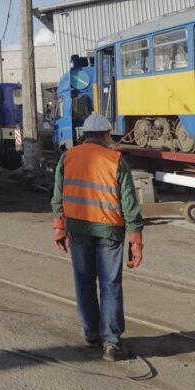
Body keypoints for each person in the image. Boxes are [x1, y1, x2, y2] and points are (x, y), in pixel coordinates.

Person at [51, 112, 144, 362]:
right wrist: (136, 238)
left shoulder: (68, 157)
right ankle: (111, 343)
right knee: (110, 285)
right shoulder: (115, 160)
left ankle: (91, 334)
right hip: (109, 231)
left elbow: (58, 195)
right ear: (106, 135)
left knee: (83, 281)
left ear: (83, 135)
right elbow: (129, 202)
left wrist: (59, 226)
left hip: (78, 229)